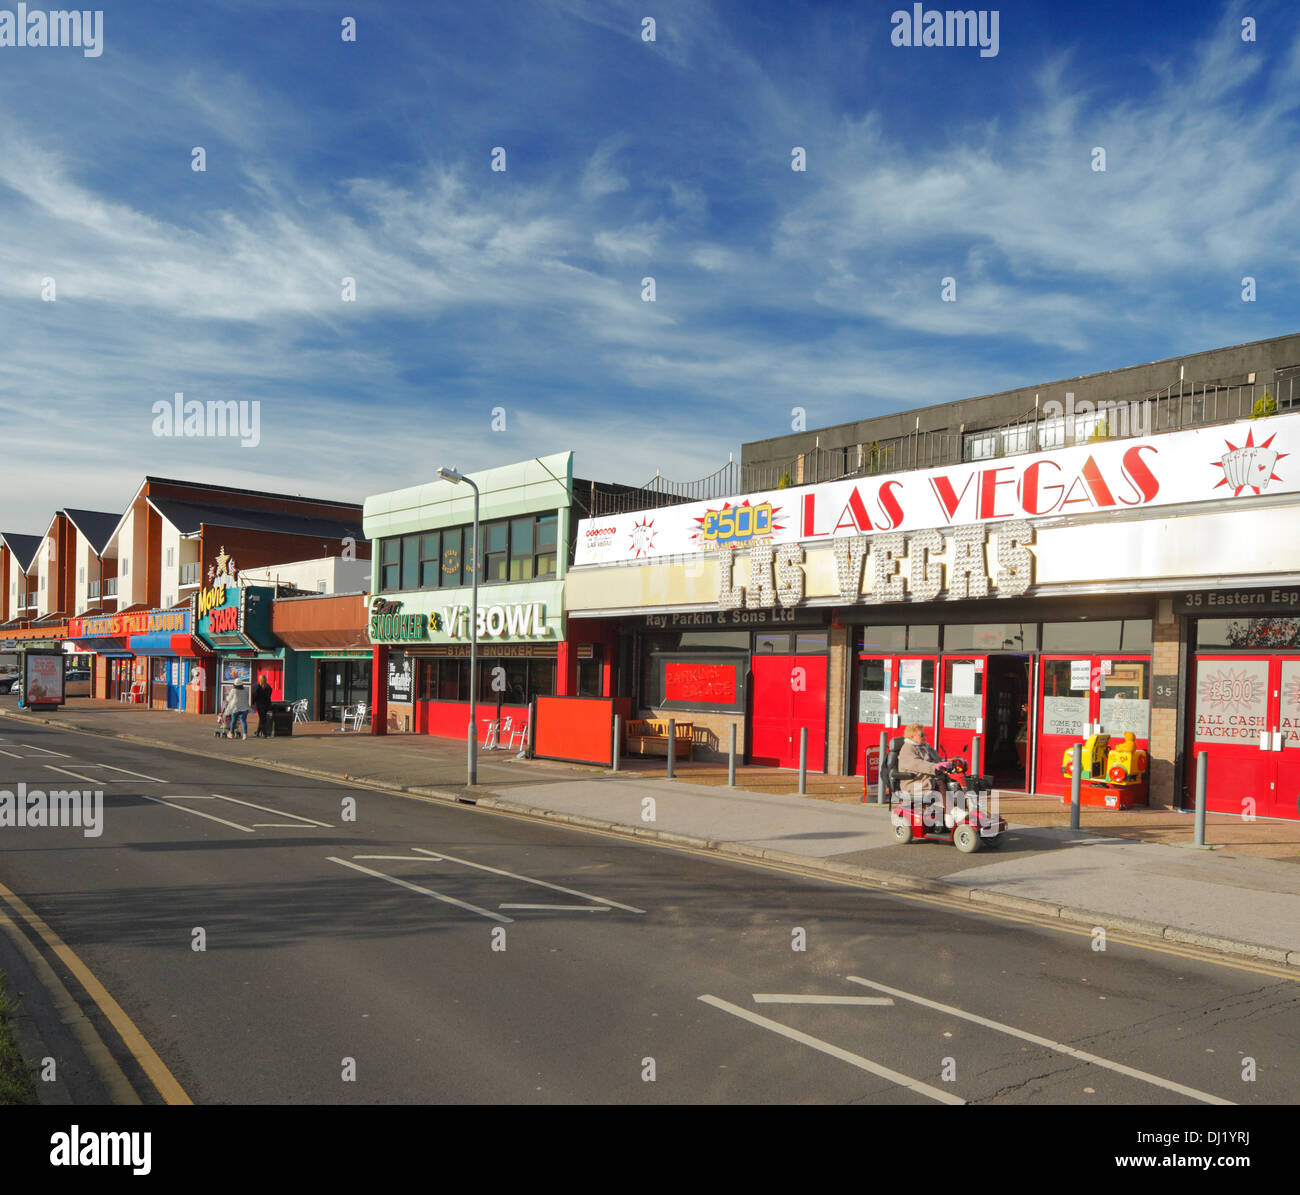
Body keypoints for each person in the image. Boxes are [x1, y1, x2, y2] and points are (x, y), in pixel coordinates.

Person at [897, 723, 963, 826]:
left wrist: (952, 762)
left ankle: (958, 810)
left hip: (926, 779)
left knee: (953, 784)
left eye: (925, 735)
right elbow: (917, 764)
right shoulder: (907, 749)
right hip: (915, 783)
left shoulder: (925, 747)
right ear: (912, 737)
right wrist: (934, 767)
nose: (924, 737)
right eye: (921, 735)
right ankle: (949, 814)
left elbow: (938, 760)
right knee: (940, 781)